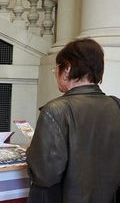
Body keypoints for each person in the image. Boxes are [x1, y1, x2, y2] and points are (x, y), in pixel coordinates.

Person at [26, 38, 120, 203]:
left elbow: (44, 174)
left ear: (67, 68)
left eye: (56, 68)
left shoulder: (55, 110)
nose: (55, 73)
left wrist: (31, 152)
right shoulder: (116, 105)